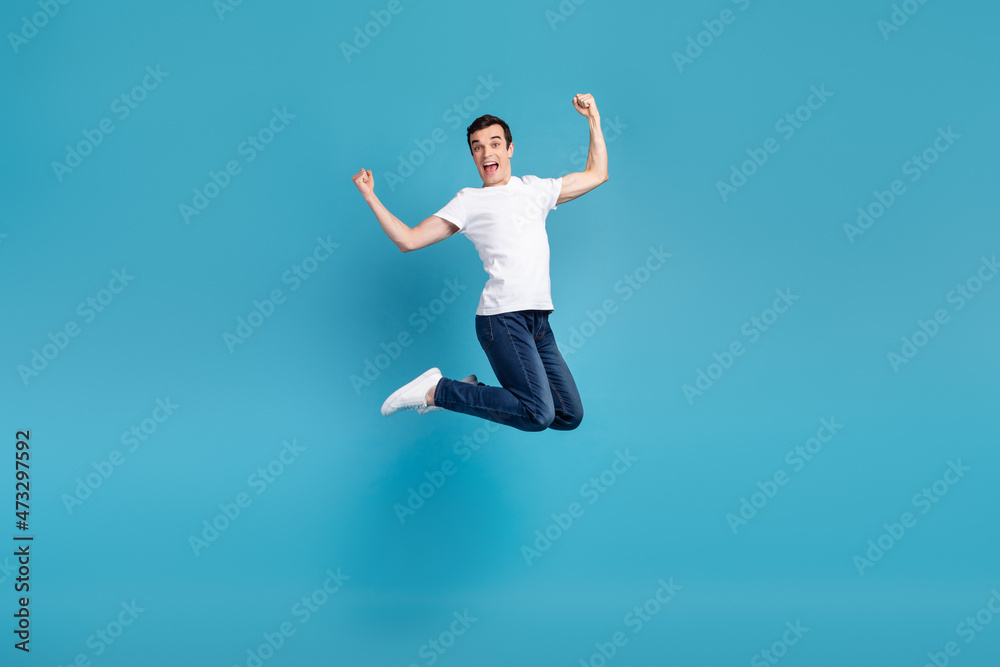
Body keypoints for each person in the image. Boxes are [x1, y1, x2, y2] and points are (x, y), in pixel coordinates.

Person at [351, 93, 609, 431]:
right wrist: (371, 196)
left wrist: (593, 119)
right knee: (538, 414)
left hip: (539, 322)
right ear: (473, 155)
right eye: (477, 147)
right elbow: (409, 240)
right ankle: (438, 390)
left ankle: (467, 392)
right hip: (501, 319)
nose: (487, 152)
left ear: (510, 149)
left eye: (495, 143)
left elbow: (597, 173)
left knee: (568, 414)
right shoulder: (469, 202)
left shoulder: (536, 190)